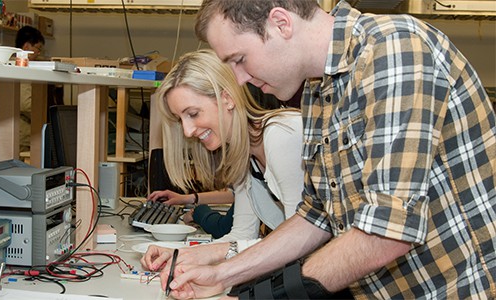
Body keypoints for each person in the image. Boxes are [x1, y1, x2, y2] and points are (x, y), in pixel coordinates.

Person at [159, 1, 496, 299]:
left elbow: (387, 233)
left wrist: (261, 295)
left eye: (240, 59)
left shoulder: (393, 49)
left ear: (281, 23)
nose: (239, 79)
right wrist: (222, 274)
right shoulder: (318, 90)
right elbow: (315, 216)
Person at [141, 49, 305, 273]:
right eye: (181, 120)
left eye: (193, 113)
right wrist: (181, 255)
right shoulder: (246, 156)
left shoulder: (281, 136)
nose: (187, 131)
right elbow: (241, 236)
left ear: (227, 99)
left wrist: (204, 258)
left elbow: (300, 244)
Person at [14, 26, 45, 152]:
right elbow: (25, 104)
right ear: (26, 47)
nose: (38, 53)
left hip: (21, 132)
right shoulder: (21, 68)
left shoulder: (13, 64)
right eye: (37, 48)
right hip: (23, 134)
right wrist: (43, 118)